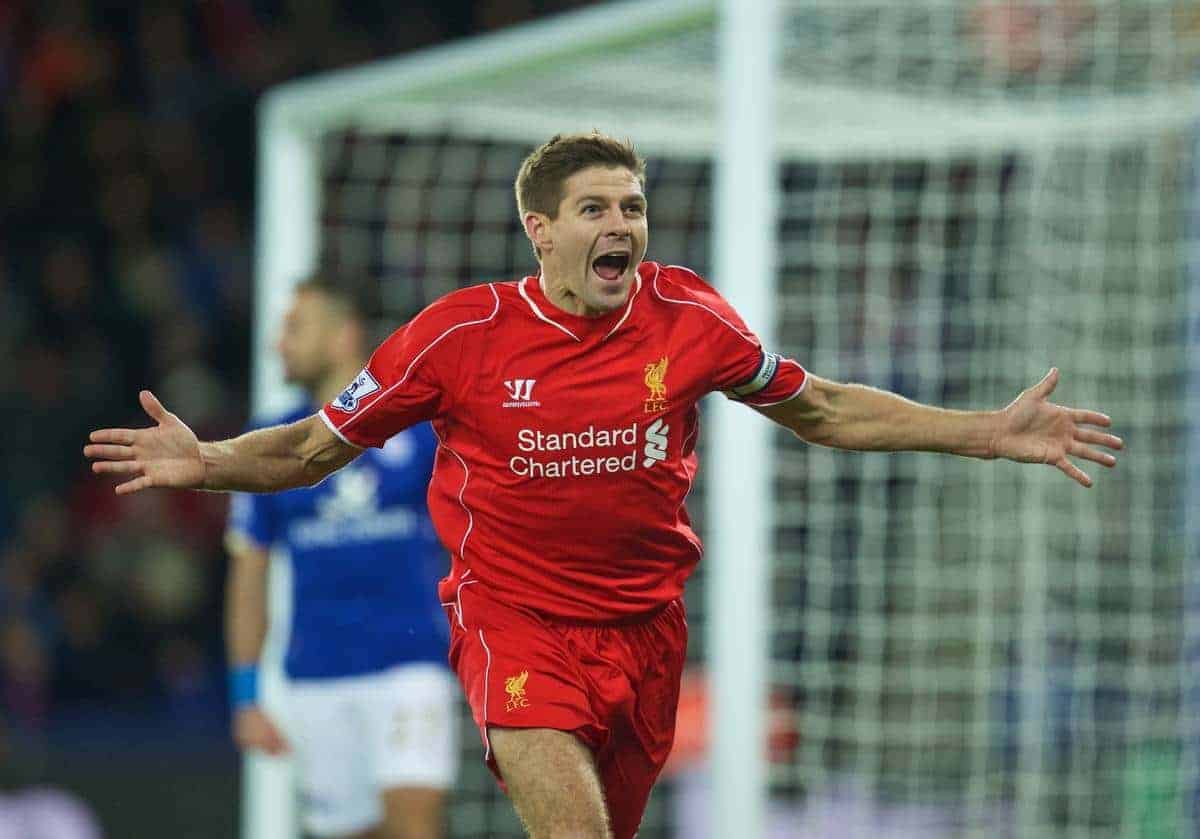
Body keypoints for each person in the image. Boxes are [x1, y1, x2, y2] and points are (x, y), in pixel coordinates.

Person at [84, 132, 1124, 839]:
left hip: (646, 632)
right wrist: (209, 460)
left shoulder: (692, 320)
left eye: (632, 204)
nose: (621, 222)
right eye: (595, 207)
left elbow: (825, 406)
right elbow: (314, 447)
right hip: (515, 619)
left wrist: (984, 431)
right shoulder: (456, 336)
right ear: (542, 231)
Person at [223, 276, 457, 839]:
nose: (279, 343)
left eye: (295, 328)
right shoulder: (268, 442)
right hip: (317, 677)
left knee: (413, 828)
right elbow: (249, 576)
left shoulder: (420, 430)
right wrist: (246, 696)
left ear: (342, 335)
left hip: (410, 665)